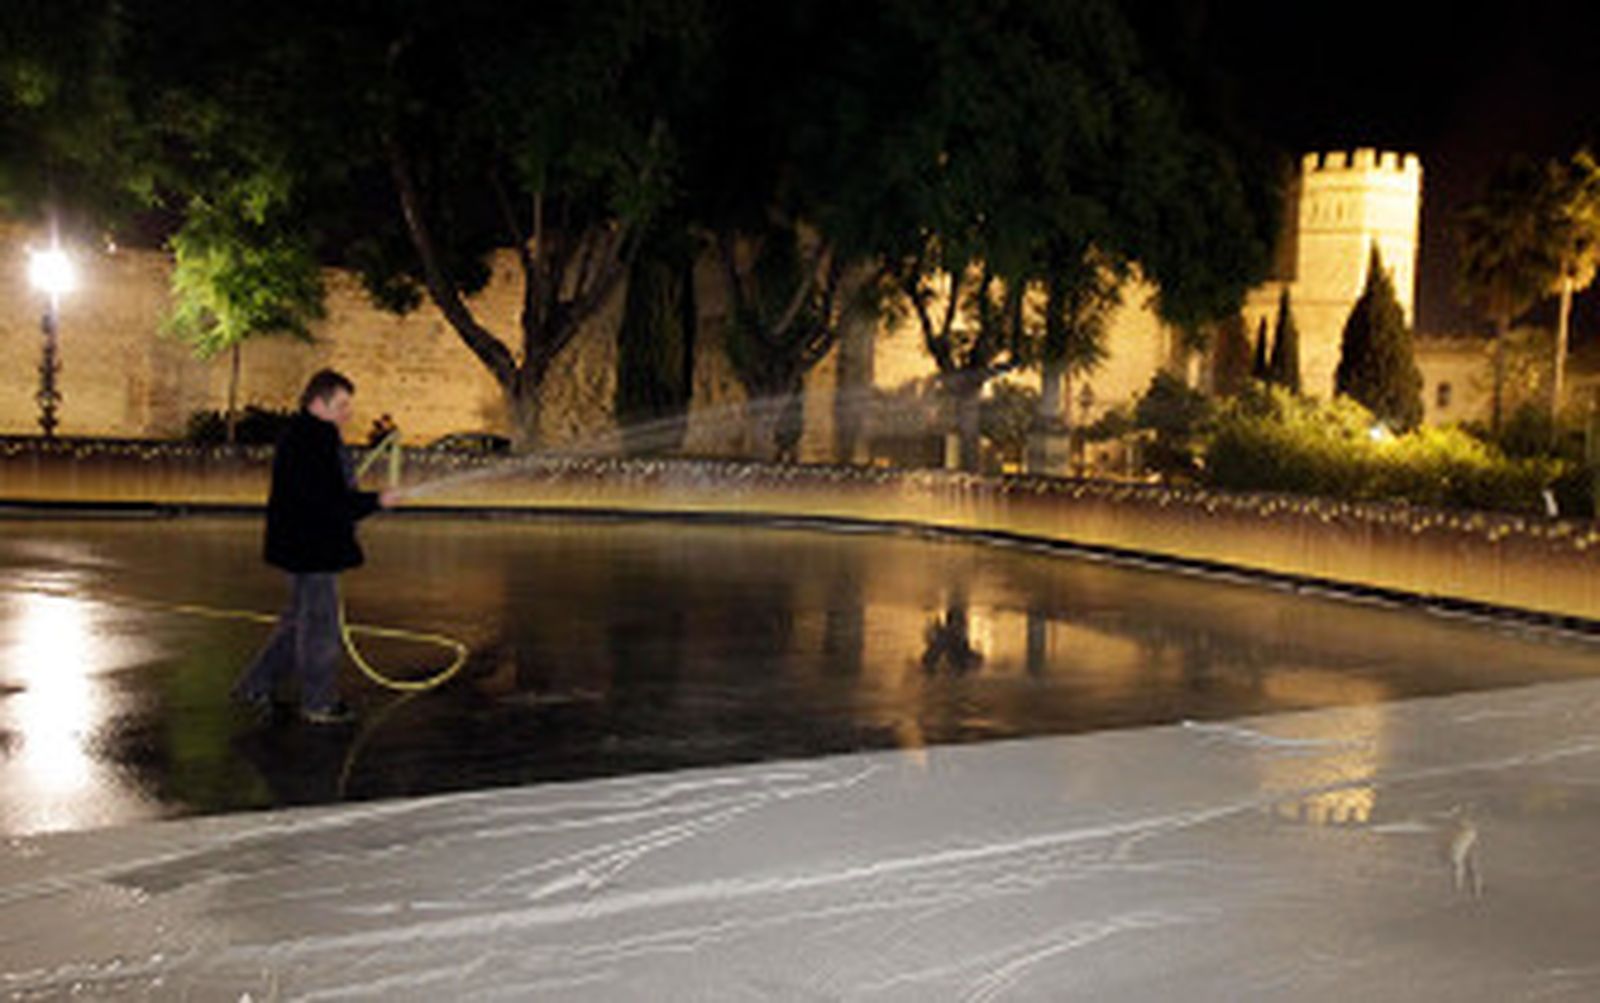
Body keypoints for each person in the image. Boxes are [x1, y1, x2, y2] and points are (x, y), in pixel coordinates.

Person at [232, 369, 399, 724]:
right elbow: (328, 501)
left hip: (301, 544)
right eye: (341, 405)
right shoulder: (312, 441)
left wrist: (367, 501)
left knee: (297, 623)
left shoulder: (308, 435)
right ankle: (319, 702)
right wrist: (375, 502)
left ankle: (255, 684)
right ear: (318, 403)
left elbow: (327, 497)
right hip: (313, 547)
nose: (347, 413)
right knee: (320, 627)